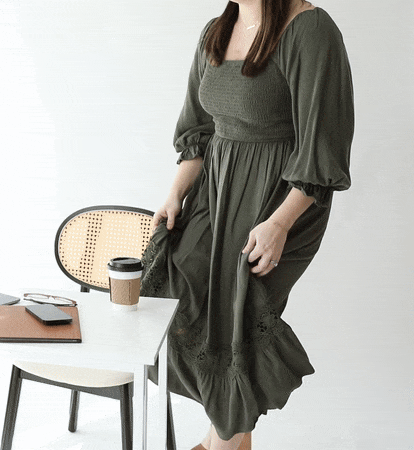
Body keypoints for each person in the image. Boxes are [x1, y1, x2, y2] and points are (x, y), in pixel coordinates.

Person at [139, 1, 354, 449]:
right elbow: (199, 129)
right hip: (213, 191)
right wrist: (175, 192)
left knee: (239, 317)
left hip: (279, 199)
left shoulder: (310, 30)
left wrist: (279, 224)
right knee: (176, 297)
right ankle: (235, 441)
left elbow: (323, 144)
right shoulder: (217, 30)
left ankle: (221, 444)